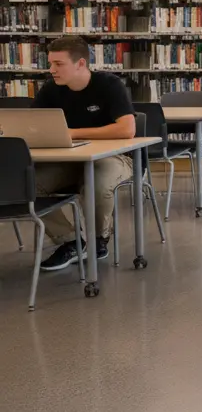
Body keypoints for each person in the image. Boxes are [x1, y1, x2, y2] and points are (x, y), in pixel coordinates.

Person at [33, 36, 136, 271]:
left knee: (97, 182)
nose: (52, 70)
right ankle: (71, 241)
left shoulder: (109, 85)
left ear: (80, 63)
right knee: (29, 184)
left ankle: (99, 239)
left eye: (59, 64)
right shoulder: (51, 90)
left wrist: (74, 133)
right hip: (68, 160)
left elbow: (127, 129)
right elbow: (35, 124)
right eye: (50, 64)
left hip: (114, 156)